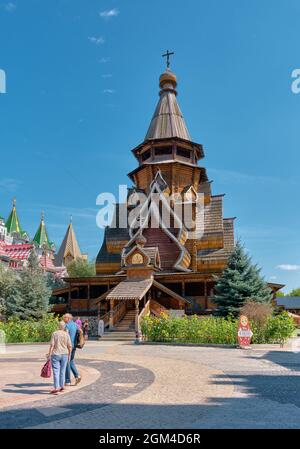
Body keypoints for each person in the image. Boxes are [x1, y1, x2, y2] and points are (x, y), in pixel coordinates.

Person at [47, 321, 72, 394]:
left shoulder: (54, 333)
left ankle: (56, 387)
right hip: (65, 354)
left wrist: (49, 354)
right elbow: (70, 346)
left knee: (56, 371)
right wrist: (69, 356)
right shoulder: (66, 334)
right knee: (62, 371)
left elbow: (52, 345)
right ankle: (62, 386)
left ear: (58, 326)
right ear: (64, 327)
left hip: (56, 354)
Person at [63, 313, 81, 386]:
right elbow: (80, 331)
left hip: (68, 346)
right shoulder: (76, 325)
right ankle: (77, 376)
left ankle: (67, 381)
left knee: (67, 362)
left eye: (64, 318)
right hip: (74, 346)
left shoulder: (67, 325)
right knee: (71, 361)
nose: (63, 319)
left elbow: (66, 335)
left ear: (68, 318)